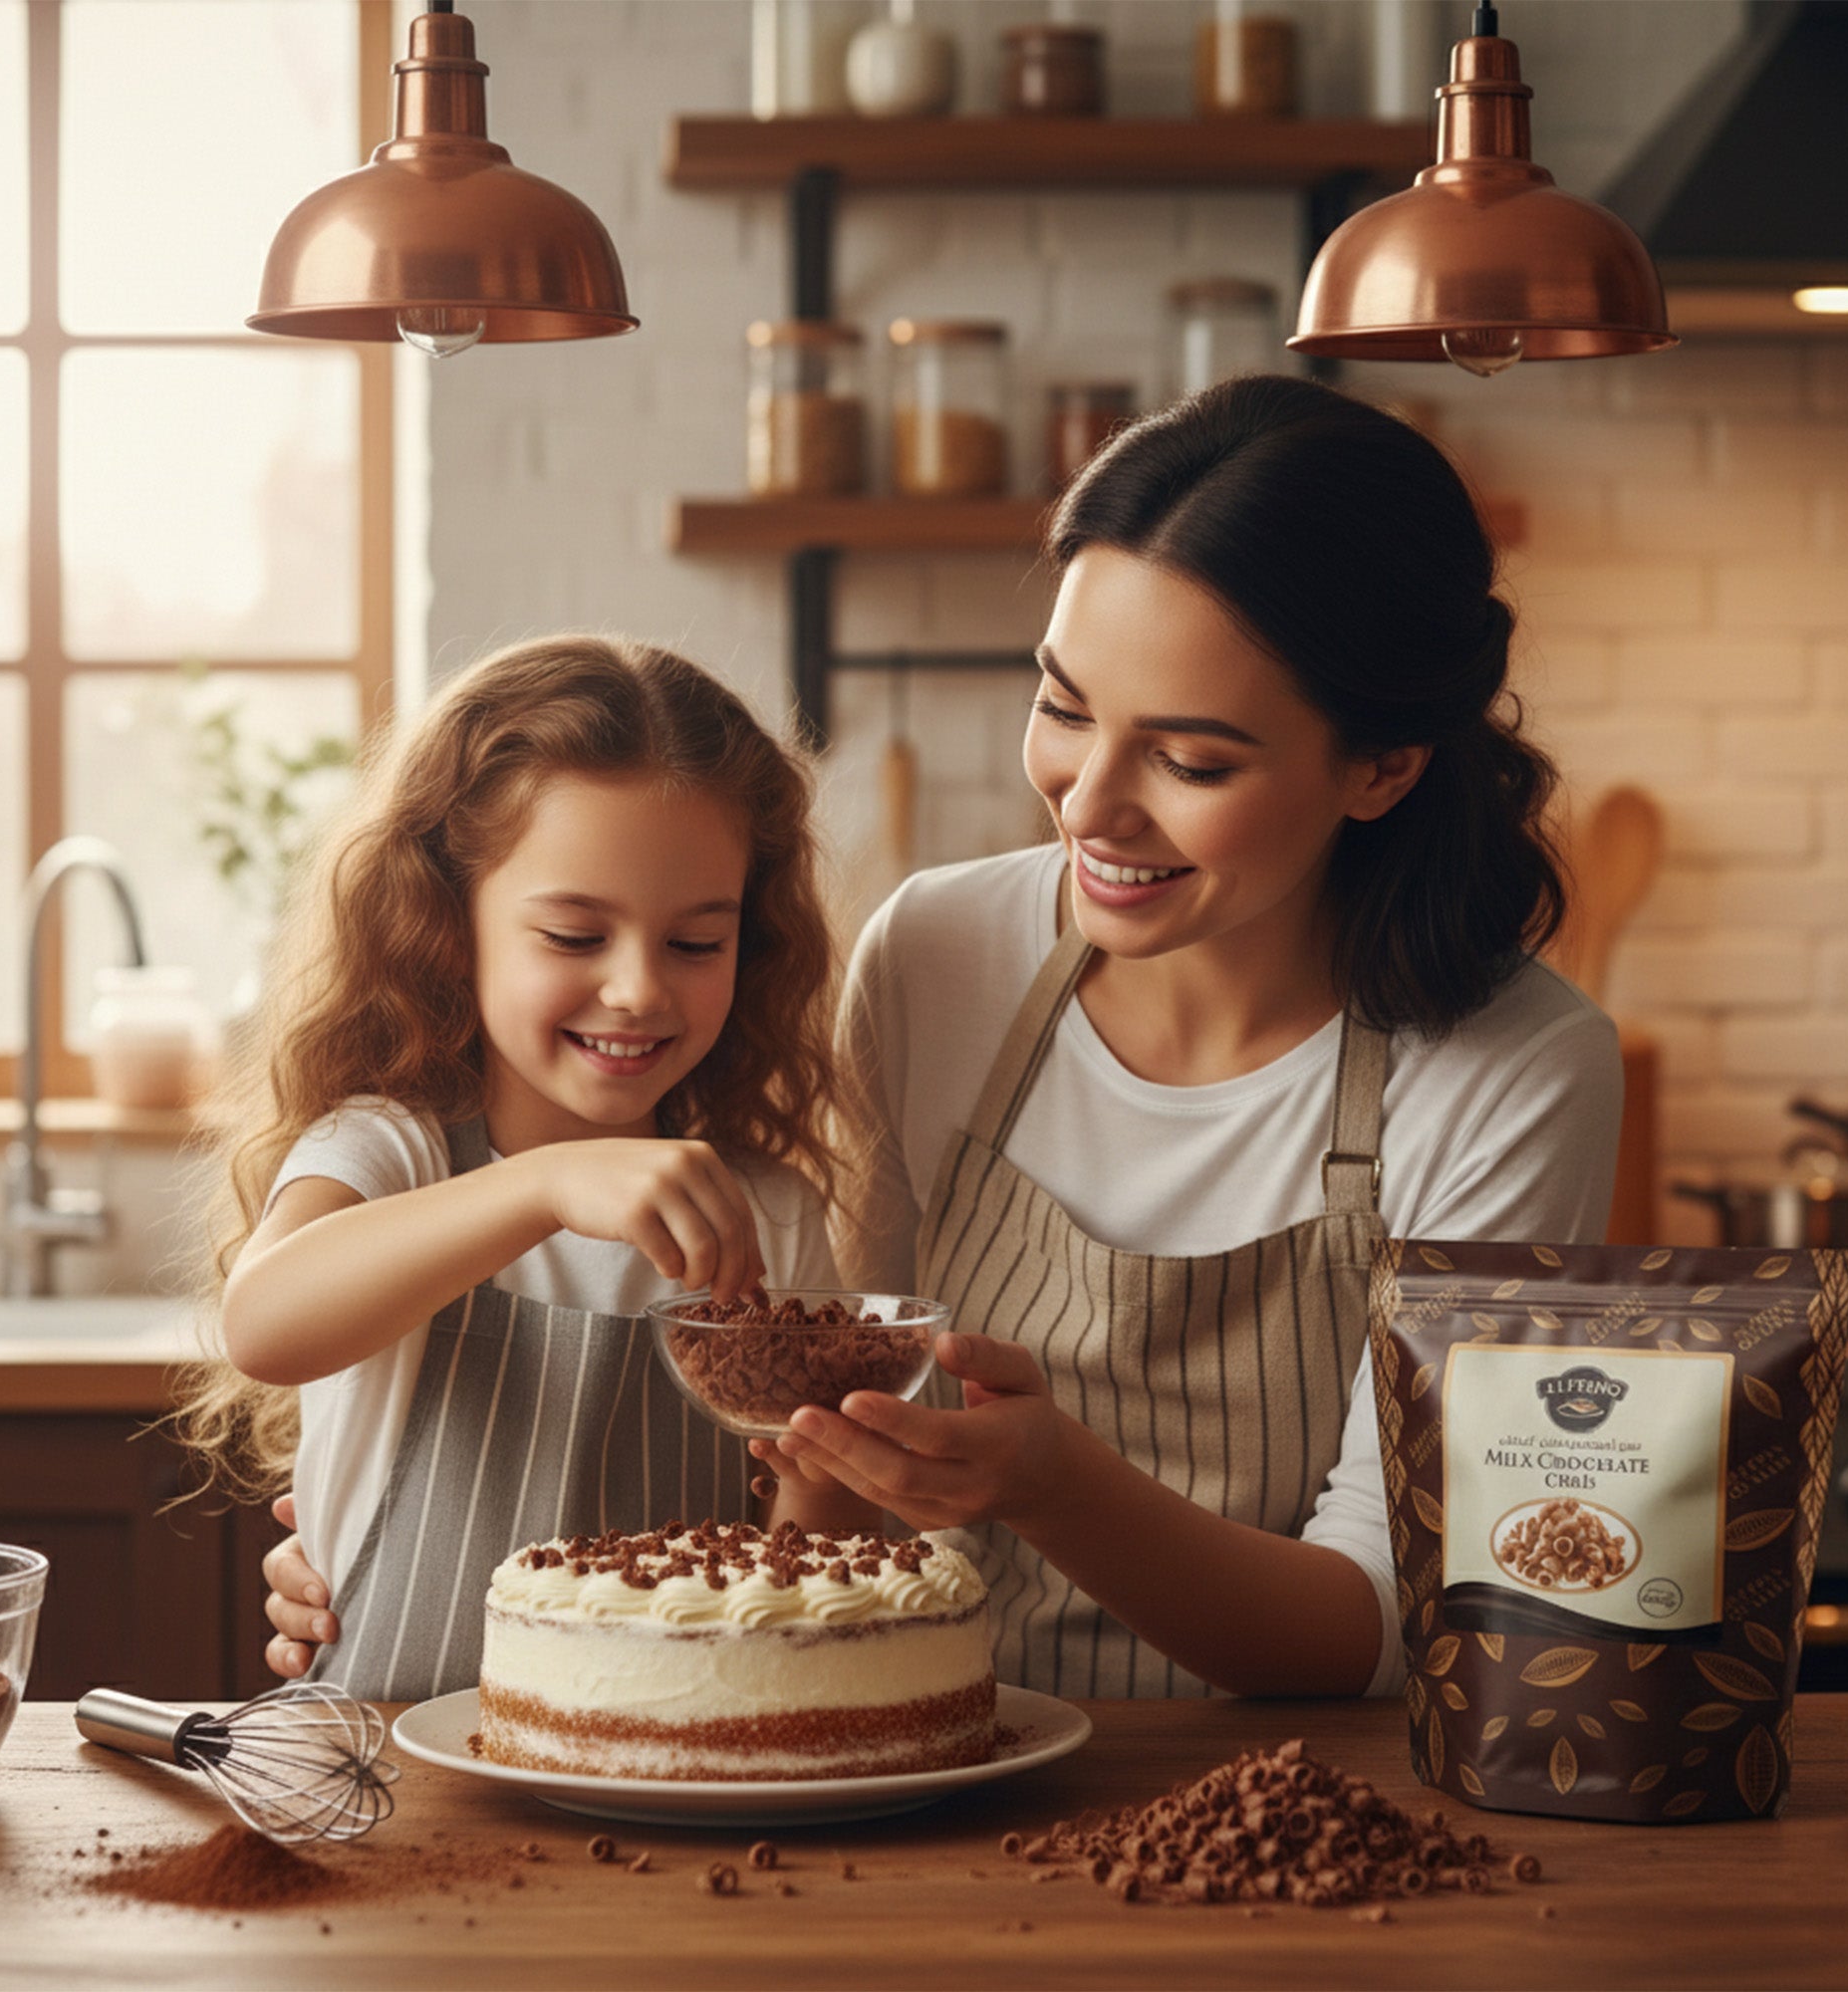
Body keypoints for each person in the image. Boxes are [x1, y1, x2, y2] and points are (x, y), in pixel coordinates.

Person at [260, 376, 1622, 1699]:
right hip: (939, 1757)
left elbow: (1393, 1625)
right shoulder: (941, 958)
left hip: (1305, 1798)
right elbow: (834, 1476)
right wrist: (388, 1530)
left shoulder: (1512, 1074)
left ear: (1380, 764)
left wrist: (1053, 1485)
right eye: (1066, 708)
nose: (1090, 805)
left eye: (1192, 762)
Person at [180, 634, 864, 1700]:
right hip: (382, 1772)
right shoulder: (388, 1149)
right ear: (451, 927)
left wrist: (828, 1479)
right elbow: (263, 1323)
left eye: (695, 944)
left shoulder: (765, 1210)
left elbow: (806, 1552)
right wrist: (539, 1186)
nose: (638, 987)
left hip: (675, 1765)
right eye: (573, 933)